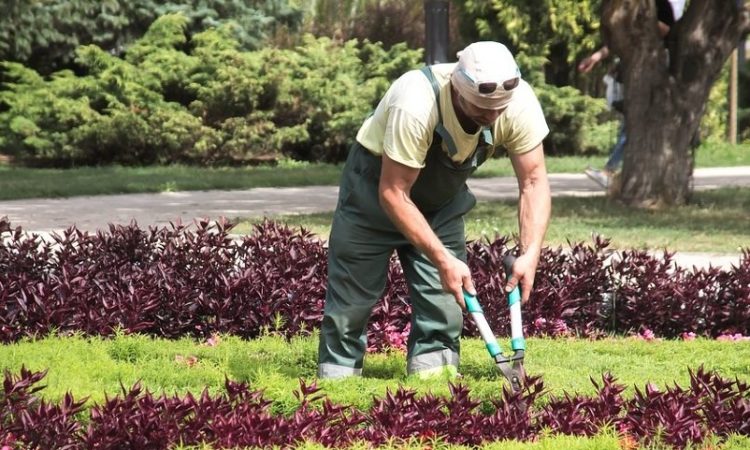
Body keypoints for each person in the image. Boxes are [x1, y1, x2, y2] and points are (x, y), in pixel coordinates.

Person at [317, 41, 551, 379]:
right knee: (351, 304)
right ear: (458, 89)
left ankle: (434, 388)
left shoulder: (517, 102)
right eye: (482, 108)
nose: (492, 116)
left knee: (444, 306)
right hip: (374, 197)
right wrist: (442, 258)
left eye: (499, 109)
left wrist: (530, 253)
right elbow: (394, 192)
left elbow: (533, 181)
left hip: (440, 205)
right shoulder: (416, 101)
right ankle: (337, 388)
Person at [580, 0, 678, 189]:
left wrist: (646, 19)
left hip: (657, 69)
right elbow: (621, 41)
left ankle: (610, 171)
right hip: (637, 74)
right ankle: (613, 172)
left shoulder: (661, 6)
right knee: (631, 122)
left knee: (633, 125)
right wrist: (596, 57)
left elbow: (668, 31)